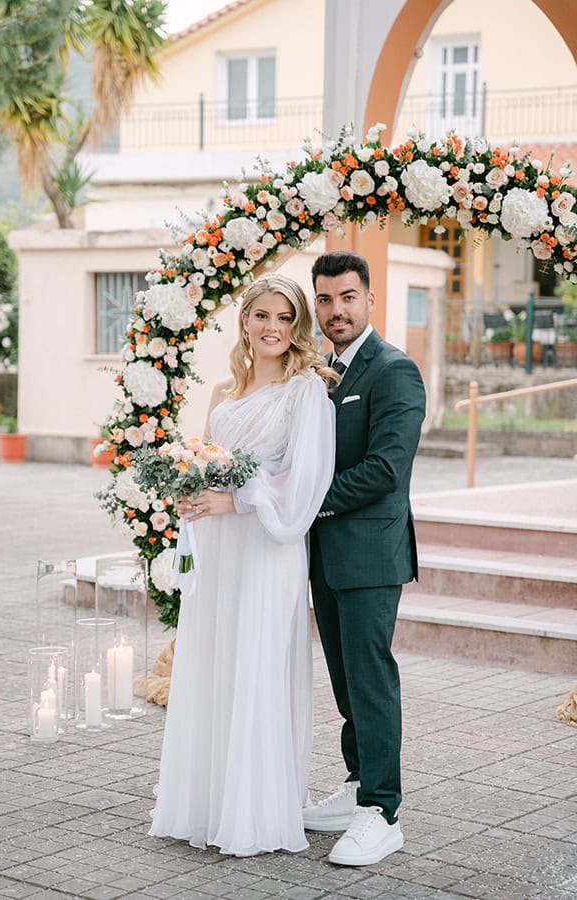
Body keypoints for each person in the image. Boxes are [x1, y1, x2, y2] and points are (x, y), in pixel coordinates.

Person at [149, 273, 336, 856]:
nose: (273, 329)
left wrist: (237, 499)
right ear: (245, 320)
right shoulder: (220, 395)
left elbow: (307, 480)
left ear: (298, 326)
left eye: (285, 318)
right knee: (215, 660)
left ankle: (253, 811)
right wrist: (189, 490)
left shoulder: (306, 392)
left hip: (266, 545)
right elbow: (206, 461)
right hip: (219, 548)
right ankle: (207, 802)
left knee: (256, 661)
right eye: (263, 316)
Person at [304, 250, 426, 866]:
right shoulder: (324, 370)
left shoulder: (393, 371)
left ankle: (382, 811)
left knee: (371, 680)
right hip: (324, 557)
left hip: (371, 555)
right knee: (345, 681)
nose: (335, 310)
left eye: (347, 296)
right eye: (324, 299)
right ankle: (357, 786)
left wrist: (304, 502)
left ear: (370, 299)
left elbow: (384, 470)